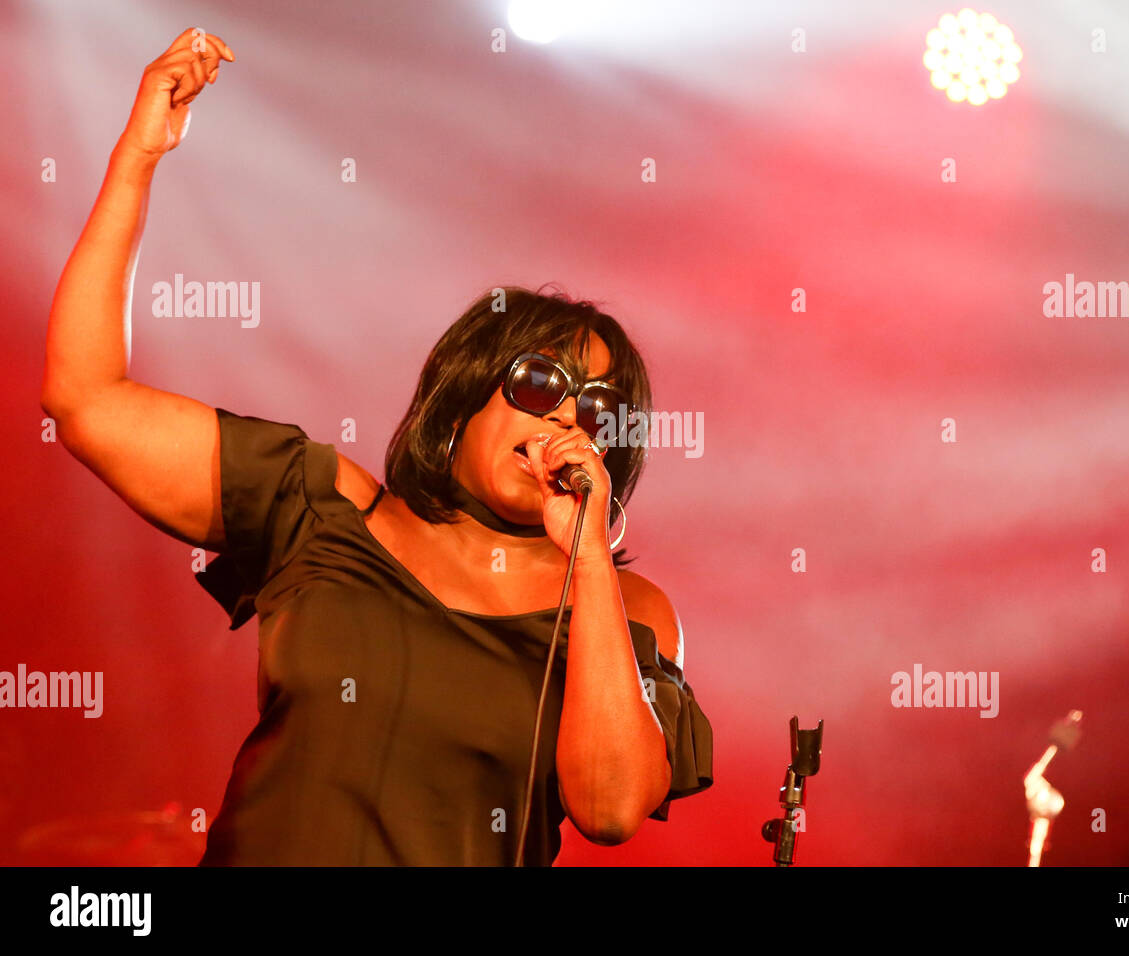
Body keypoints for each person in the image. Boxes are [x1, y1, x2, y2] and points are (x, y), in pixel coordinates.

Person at [41, 27, 713, 865]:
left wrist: (586, 566)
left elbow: (610, 809)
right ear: (463, 398)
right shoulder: (317, 507)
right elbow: (84, 400)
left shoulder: (626, 610)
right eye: (540, 384)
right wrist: (135, 159)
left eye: (599, 408)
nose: (565, 419)